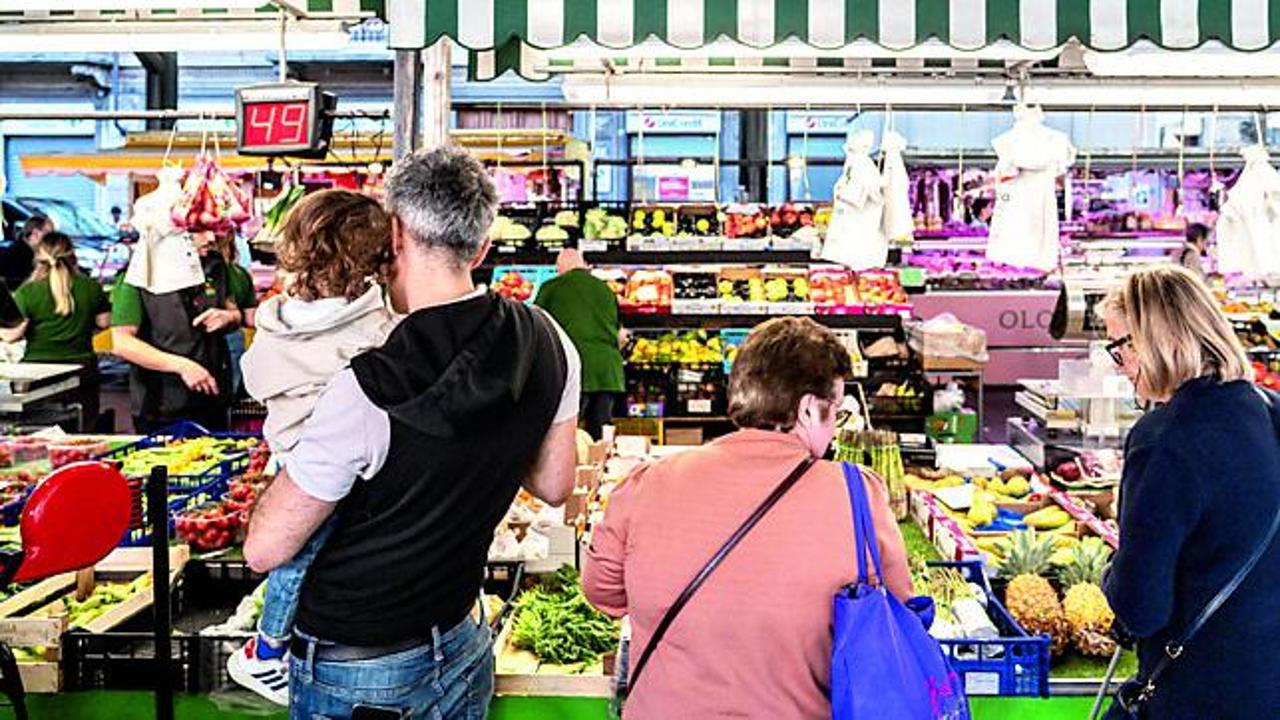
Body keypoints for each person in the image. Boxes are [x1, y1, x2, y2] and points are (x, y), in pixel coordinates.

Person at [243, 146, 581, 719]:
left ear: (394, 234)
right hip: (463, 637)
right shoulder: (548, 338)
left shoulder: (365, 387)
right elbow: (555, 485)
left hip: (358, 667)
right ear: (481, 247)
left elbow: (265, 549)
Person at [582, 316, 913, 719]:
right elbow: (899, 613)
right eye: (835, 414)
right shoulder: (859, 493)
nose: (834, 432)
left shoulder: (646, 482)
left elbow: (602, 591)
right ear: (808, 410)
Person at [227, 190, 398, 706]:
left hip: (286, 448)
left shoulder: (280, 314)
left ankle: (286, 637)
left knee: (306, 553)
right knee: (302, 555)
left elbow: (256, 374)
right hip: (321, 456)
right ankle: (266, 650)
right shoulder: (364, 326)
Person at [1101, 265, 1280, 720]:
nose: (1119, 367)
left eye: (1118, 349)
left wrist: (1110, 574)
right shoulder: (1268, 409)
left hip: (1198, 691)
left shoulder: (1164, 438)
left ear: (1154, 339)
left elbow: (1141, 607)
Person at [111, 229, 245, 433]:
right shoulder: (138, 275)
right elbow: (121, 343)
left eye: (212, 230)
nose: (211, 238)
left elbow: (235, 311)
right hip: (161, 406)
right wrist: (183, 366)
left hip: (213, 400)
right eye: (198, 231)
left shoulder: (215, 267)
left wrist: (230, 317)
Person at [0, 231, 111, 429]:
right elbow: (104, 322)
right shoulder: (91, 288)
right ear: (72, 255)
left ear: (39, 257)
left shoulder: (28, 292)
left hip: (38, 373)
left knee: (41, 432)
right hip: (82, 369)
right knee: (84, 431)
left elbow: (12, 335)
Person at [534, 248, 626, 439]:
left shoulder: (551, 287)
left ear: (559, 267)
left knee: (567, 434)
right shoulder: (605, 289)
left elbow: (537, 327)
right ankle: (600, 466)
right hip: (607, 371)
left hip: (573, 368)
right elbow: (620, 333)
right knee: (600, 433)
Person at [0, 215, 53, 289]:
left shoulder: (11, 251)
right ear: (35, 233)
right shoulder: (21, 261)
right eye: (49, 235)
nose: (52, 241)